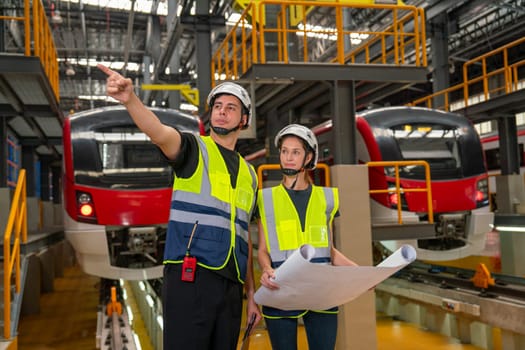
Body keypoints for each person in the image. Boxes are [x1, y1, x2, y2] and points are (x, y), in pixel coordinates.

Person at [98, 63, 261, 349]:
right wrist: (130, 100)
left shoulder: (249, 175)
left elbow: (243, 237)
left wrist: (251, 295)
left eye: (231, 107)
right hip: (192, 278)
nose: (222, 111)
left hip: (231, 286)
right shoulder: (193, 149)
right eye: (218, 106)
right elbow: (158, 132)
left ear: (244, 120)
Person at [257, 124, 358, 350]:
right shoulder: (266, 199)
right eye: (284, 151)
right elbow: (263, 250)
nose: (288, 158)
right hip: (281, 291)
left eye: (295, 152)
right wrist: (266, 269)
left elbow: (329, 251)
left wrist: (361, 273)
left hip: (320, 292)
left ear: (309, 157)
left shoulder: (326, 199)